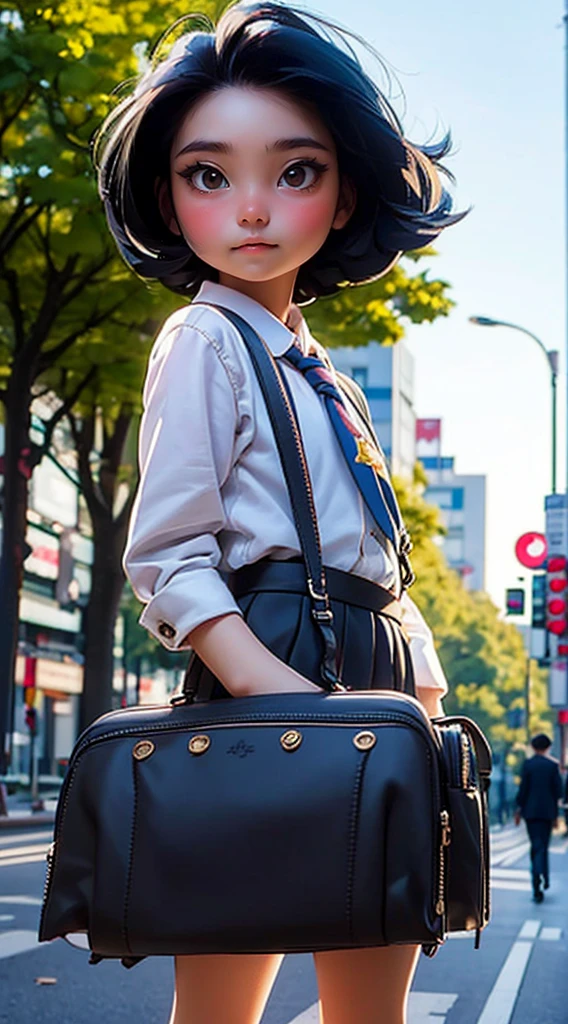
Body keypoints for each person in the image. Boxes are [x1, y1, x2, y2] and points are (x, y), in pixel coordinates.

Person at [93, 4, 467, 1022]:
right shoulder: (202, 340)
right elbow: (170, 557)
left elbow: (383, 562)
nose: (251, 208)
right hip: (268, 671)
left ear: (346, 196)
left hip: (375, 677)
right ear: (167, 203)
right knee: (223, 997)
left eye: (294, 171)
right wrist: (285, 699)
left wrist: (418, 705)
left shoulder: (325, 375)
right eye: (207, 175)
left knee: (374, 996)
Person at [514, 733, 563, 903]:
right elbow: (559, 791)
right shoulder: (552, 766)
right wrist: (556, 814)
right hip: (548, 813)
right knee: (544, 845)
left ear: (533, 747)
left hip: (530, 812)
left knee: (536, 845)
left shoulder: (528, 765)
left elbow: (523, 790)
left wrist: (518, 810)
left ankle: (536, 882)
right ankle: (545, 878)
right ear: (548, 747)